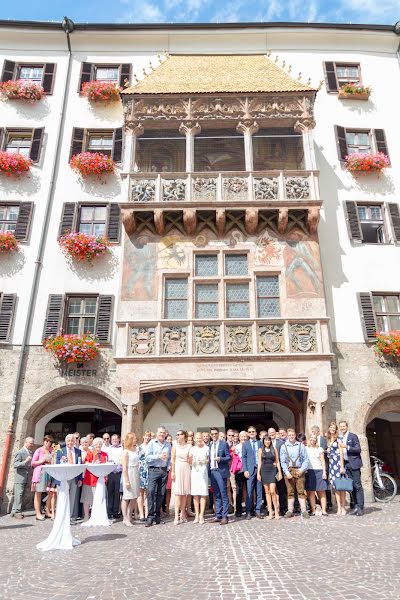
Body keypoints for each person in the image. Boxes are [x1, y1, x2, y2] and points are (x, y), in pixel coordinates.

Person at [280, 428, 309, 519]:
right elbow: (283, 461)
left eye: (292, 435)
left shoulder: (301, 446)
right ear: (287, 436)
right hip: (289, 471)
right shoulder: (284, 446)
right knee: (290, 492)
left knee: (301, 491)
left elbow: (306, 460)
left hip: (299, 470)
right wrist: (287, 472)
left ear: (295, 435)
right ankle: (290, 510)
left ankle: (303, 510)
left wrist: (301, 470)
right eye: (289, 435)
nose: (291, 437)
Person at [145, 426, 171, 527]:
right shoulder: (152, 443)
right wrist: (158, 456)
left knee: (161, 493)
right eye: (160, 432)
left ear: (166, 434)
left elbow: (169, 459)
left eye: (163, 433)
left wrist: (168, 468)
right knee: (151, 492)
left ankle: (157, 516)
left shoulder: (168, 444)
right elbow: (147, 458)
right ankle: (150, 516)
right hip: (153, 470)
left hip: (163, 471)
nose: (162, 434)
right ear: (157, 433)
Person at [338, 420, 365, 516]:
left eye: (343, 426)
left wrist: (347, 447)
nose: (342, 428)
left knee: (358, 486)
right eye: (341, 426)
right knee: (352, 487)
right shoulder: (340, 438)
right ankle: (356, 506)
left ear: (347, 426)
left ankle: (361, 507)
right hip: (346, 465)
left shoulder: (352, 436)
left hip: (354, 464)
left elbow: (358, 450)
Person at [56, 434, 83, 520]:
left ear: (74, 442)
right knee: (63, 497)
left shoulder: (78, 451)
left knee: (72, 497)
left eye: (72, 441)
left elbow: (80, 466)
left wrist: (80, 479)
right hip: (64, 478)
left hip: (74, 477)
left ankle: (69, 517)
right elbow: (56, 463)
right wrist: (61, 460)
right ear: (66, 441)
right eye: (68, 441)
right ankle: (61, 517)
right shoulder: (60, 451)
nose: (70, 442)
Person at [81, 437, 108, 522]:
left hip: (100, 480)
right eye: (96, 445)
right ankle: (86, 516)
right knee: (87, 499)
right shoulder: (90, 453)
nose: (98, 446)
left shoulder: (105, 454)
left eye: (100, 445)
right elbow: (85, 463)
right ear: (93, 445)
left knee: (99, 499)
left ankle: (97, 516)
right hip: (90, 479)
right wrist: (92, 463)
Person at [208, 427, 231, 525]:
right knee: (216, 494)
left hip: (221, 471)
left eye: (215, 434)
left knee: (223, 494)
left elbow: (229, 457)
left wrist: (220, 458)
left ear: (218, 434)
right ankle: (218, 515)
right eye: (212, 434)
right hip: (212, 471)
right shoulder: (209, 445)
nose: (214, 435)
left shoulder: (223, 444)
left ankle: (225, 516)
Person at [257, 435, 282, 520]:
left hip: (272, 470)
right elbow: (259, 462)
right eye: (265, 440)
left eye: (268, 440)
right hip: (264, 470)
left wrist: (280, 472)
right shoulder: (260, 450)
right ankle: (270, 512)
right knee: (267, 492)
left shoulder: (274, 449)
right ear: (263, 441)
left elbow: (277, 462)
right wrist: (258, 473)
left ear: (270, 441)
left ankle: (276, 511)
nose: (267, 441)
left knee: (272, 491)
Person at [242, 426, 264, 520]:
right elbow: (244, 457)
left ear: (256, 433)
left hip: (259, 469)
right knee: (249, 491)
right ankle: (248, 511)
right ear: (248, 433)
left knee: (259, 491)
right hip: (250, 470)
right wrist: (245, 470)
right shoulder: (245, 444)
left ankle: (258, 510)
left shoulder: (260, 443)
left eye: (253, 432)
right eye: (250, 432)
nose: (251, 433)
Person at [171, 430, 192, 525]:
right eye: (177, 434)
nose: (178, 436)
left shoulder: (189, 446)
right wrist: (172, 471)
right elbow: (172, 460)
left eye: (180, 434)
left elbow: (191, 459)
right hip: (178, 467)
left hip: (186, 467)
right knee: (178, 493)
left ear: (184, 436)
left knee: (184, 493)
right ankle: (176, 515)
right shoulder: (175, 446)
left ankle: (182, 513)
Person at [305, 433, 328, 516]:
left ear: (316, 440)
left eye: (314, 438)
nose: (312, 440)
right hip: (310, 471)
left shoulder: (320, 449)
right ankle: (313, 509)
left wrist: (324, 472)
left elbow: (322, 461)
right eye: (311, 438)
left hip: (319, 470)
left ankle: (324, 510)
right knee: (311, 491)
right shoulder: (305, 448)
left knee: (321, 491)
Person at [11, 437, 34, 519]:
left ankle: (14, 511)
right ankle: (17, 512)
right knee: (19, 495)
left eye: (32, 443)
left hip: (26, 477)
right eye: (30, 443)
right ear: (26, 442)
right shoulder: (20, 452)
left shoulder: (30, 452)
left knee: (20, 494)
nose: (32, 445)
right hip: (20, 477)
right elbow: (15, 464)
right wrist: (25, 461)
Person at [31, 435, 54, 520]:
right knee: (38, 493)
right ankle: (38, 513)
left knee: (50, 493)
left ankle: (47, 511)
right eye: (46, 441)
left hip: (50, 473)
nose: (48, 443)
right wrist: (41, 461)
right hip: (40, 473)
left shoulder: (52, 450)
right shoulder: (39, 450)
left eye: (50, 442)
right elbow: (33, 463)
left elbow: (54, 461)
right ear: (43, 441)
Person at [189, 432, 209, 524]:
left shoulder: (206, 448)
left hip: (203, 472)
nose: (198, 440)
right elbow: (189, 461)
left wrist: (205, 460)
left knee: (203, 493)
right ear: (194, 439)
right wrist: (191, 459)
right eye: (197, 438)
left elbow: (208, 460)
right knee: (195, 494)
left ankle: (201, 515)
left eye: (200, 438)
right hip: (195, 472)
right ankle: (196, 514)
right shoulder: (192, 449)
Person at [327, 422, 346, 516]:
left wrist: (342, 466)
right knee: (335, 488)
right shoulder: (327, 439)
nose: (332, 429)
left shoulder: (339, 439)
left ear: (336, 429)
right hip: (331, 465)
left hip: (338, 464)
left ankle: (343, 507)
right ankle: (338, 507)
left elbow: (341, 452)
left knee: (341, 487)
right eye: (331, 427)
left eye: (334, 427)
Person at [311, 424, 332, 510]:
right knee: (315, 486)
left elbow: (329, 450)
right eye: (312, 432)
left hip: (324, 465)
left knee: (325, 485)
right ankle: (317, 504)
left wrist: (325, 451)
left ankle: (328, 503)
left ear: (318, 432)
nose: (312, 433)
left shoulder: (324, 440)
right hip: (314, 466)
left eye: (313, 432)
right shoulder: (310, 441)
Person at [121, 432, 140, 527]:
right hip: (129, 472)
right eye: (134, 438)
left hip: (136, 472)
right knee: (127, 496)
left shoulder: (136, 449)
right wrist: (127, 480)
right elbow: (124, 467)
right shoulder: (126, 452)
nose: (135, 440)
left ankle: (129, 516)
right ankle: (124, 518)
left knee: (134, 496)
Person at [268, 427, 287, 516]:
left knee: (281, 488)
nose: (271, 434)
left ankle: (283, 508)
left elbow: (284, 455)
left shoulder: (281, 443)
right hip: (268, 469)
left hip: (279, 469)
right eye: (270, 433)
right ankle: (272, 508)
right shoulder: (266, 442)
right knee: (271, 490)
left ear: (275, 433)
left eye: (273, 432)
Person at [106, 434, 123, 520]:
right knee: (110, 493)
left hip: (119, 473)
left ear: (119, 439)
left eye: (116, 439)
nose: (114, 440)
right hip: (111, 473)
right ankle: (109, 512)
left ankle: (115, 512)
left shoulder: (122, 449)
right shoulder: (109, 449)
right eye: (113, 439)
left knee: (117, 493)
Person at [232, 430, 248, 518]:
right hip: (239, 470)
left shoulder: (249, 445)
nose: (243, 438)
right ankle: (238, 510)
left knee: (249, 490)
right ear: (239, 438)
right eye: (242, 437)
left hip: (248, 470)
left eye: (245, 436)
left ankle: (249, 508)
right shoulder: (237, 447)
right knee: (239, 490)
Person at [137, 430, 151, 521]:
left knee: (148, 493)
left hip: (149, 470)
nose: (147, 437)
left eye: (148, 436)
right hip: (141, 470)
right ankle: (141, 513)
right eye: (146, 436)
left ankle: (147, 513)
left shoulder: (151, 447)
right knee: (140, 492)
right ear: (143, 437)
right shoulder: (139, 447)